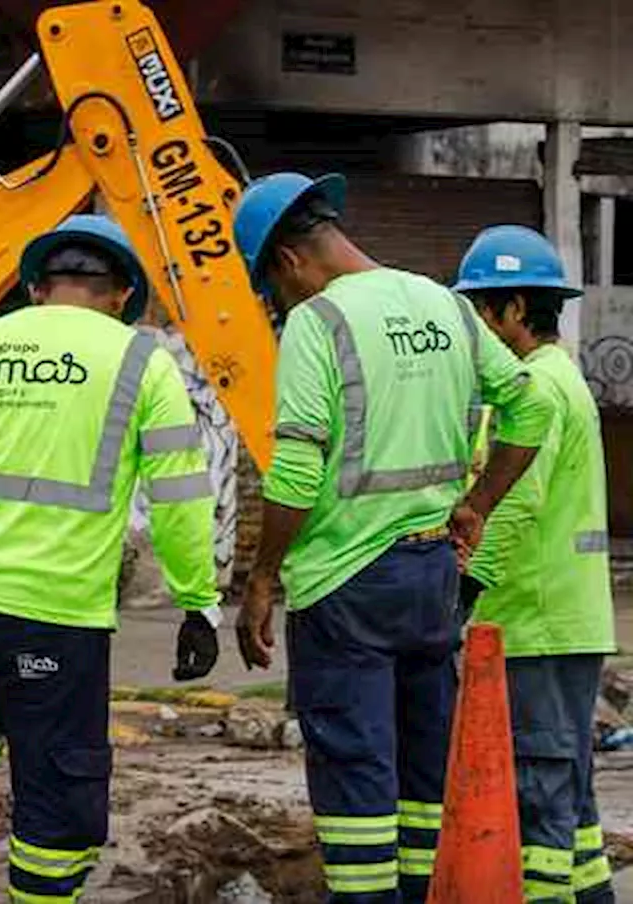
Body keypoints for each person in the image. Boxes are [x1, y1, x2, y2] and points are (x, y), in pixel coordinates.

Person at [0, 214, 223, 904]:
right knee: (61, 785)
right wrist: (197, 601)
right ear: (122, 293)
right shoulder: (140, 361)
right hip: (56, 609)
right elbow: (181, 496)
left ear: (36, 287)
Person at [230, 172, 555, 903]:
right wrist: (476, 503)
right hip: (432, 576)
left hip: (345, 586)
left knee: (355, 774)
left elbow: (295, 473)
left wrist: (261, 577)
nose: (280, 307)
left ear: (286, 263)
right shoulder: (445, 304)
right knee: (419, 776)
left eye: (271, 293)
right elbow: (530, 413)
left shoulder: (320, 322)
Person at [453, 225, 617, 903]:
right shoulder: (563, 377)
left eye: (481, 313)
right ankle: (593, 893)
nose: (476, 331)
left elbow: (516, 504)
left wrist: (463, 586)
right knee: (569, 786)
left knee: (541, 783)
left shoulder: (536, 391)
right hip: (565, 620)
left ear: (516, 309)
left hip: (536, 622)